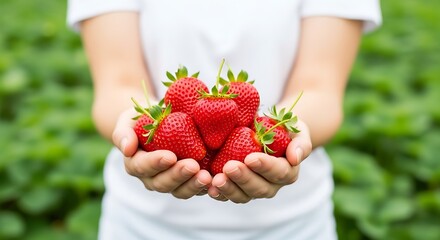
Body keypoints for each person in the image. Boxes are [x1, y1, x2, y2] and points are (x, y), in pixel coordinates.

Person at [67, 1, 381, 239]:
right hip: (141, 225)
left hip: (292, 226)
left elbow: (319, 88)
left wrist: (288, 131)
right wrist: (135, 128)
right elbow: (118, 84)